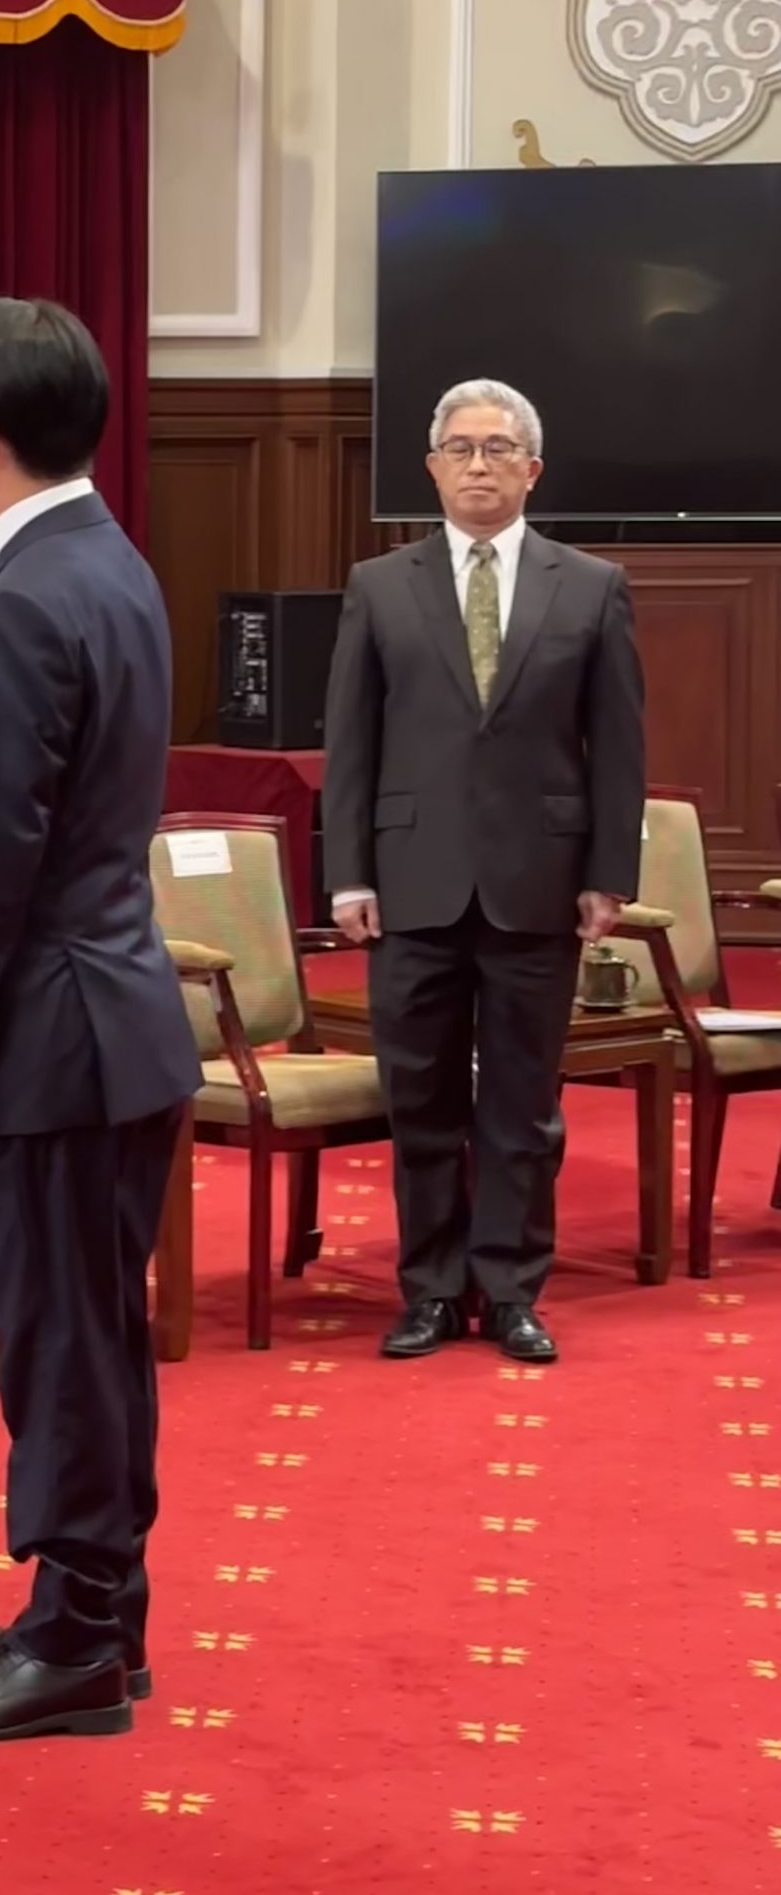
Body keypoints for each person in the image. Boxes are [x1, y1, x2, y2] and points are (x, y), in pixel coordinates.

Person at [0, 298, 202, 1744]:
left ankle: (75, 1638)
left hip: (48, 1035)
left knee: (62, 1346)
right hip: (110, 1014)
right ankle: (99, 1614)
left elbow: (4, 841)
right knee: (93, 1336)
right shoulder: (103, 558)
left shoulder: (22, 592)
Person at [322, 378, 646, 1364]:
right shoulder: (380, 585)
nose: (478, 465)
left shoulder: (589, 586)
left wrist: (607, 874)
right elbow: (351, 744)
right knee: (418, 1100)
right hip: (411, 883)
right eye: (460, 449)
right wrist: (348, 876)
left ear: (531, 469)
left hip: (537, 884)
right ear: (431, 468)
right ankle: (427, 1288)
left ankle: (508, 1288)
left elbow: (619, 745)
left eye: (498, 448)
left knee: (521, 1105)